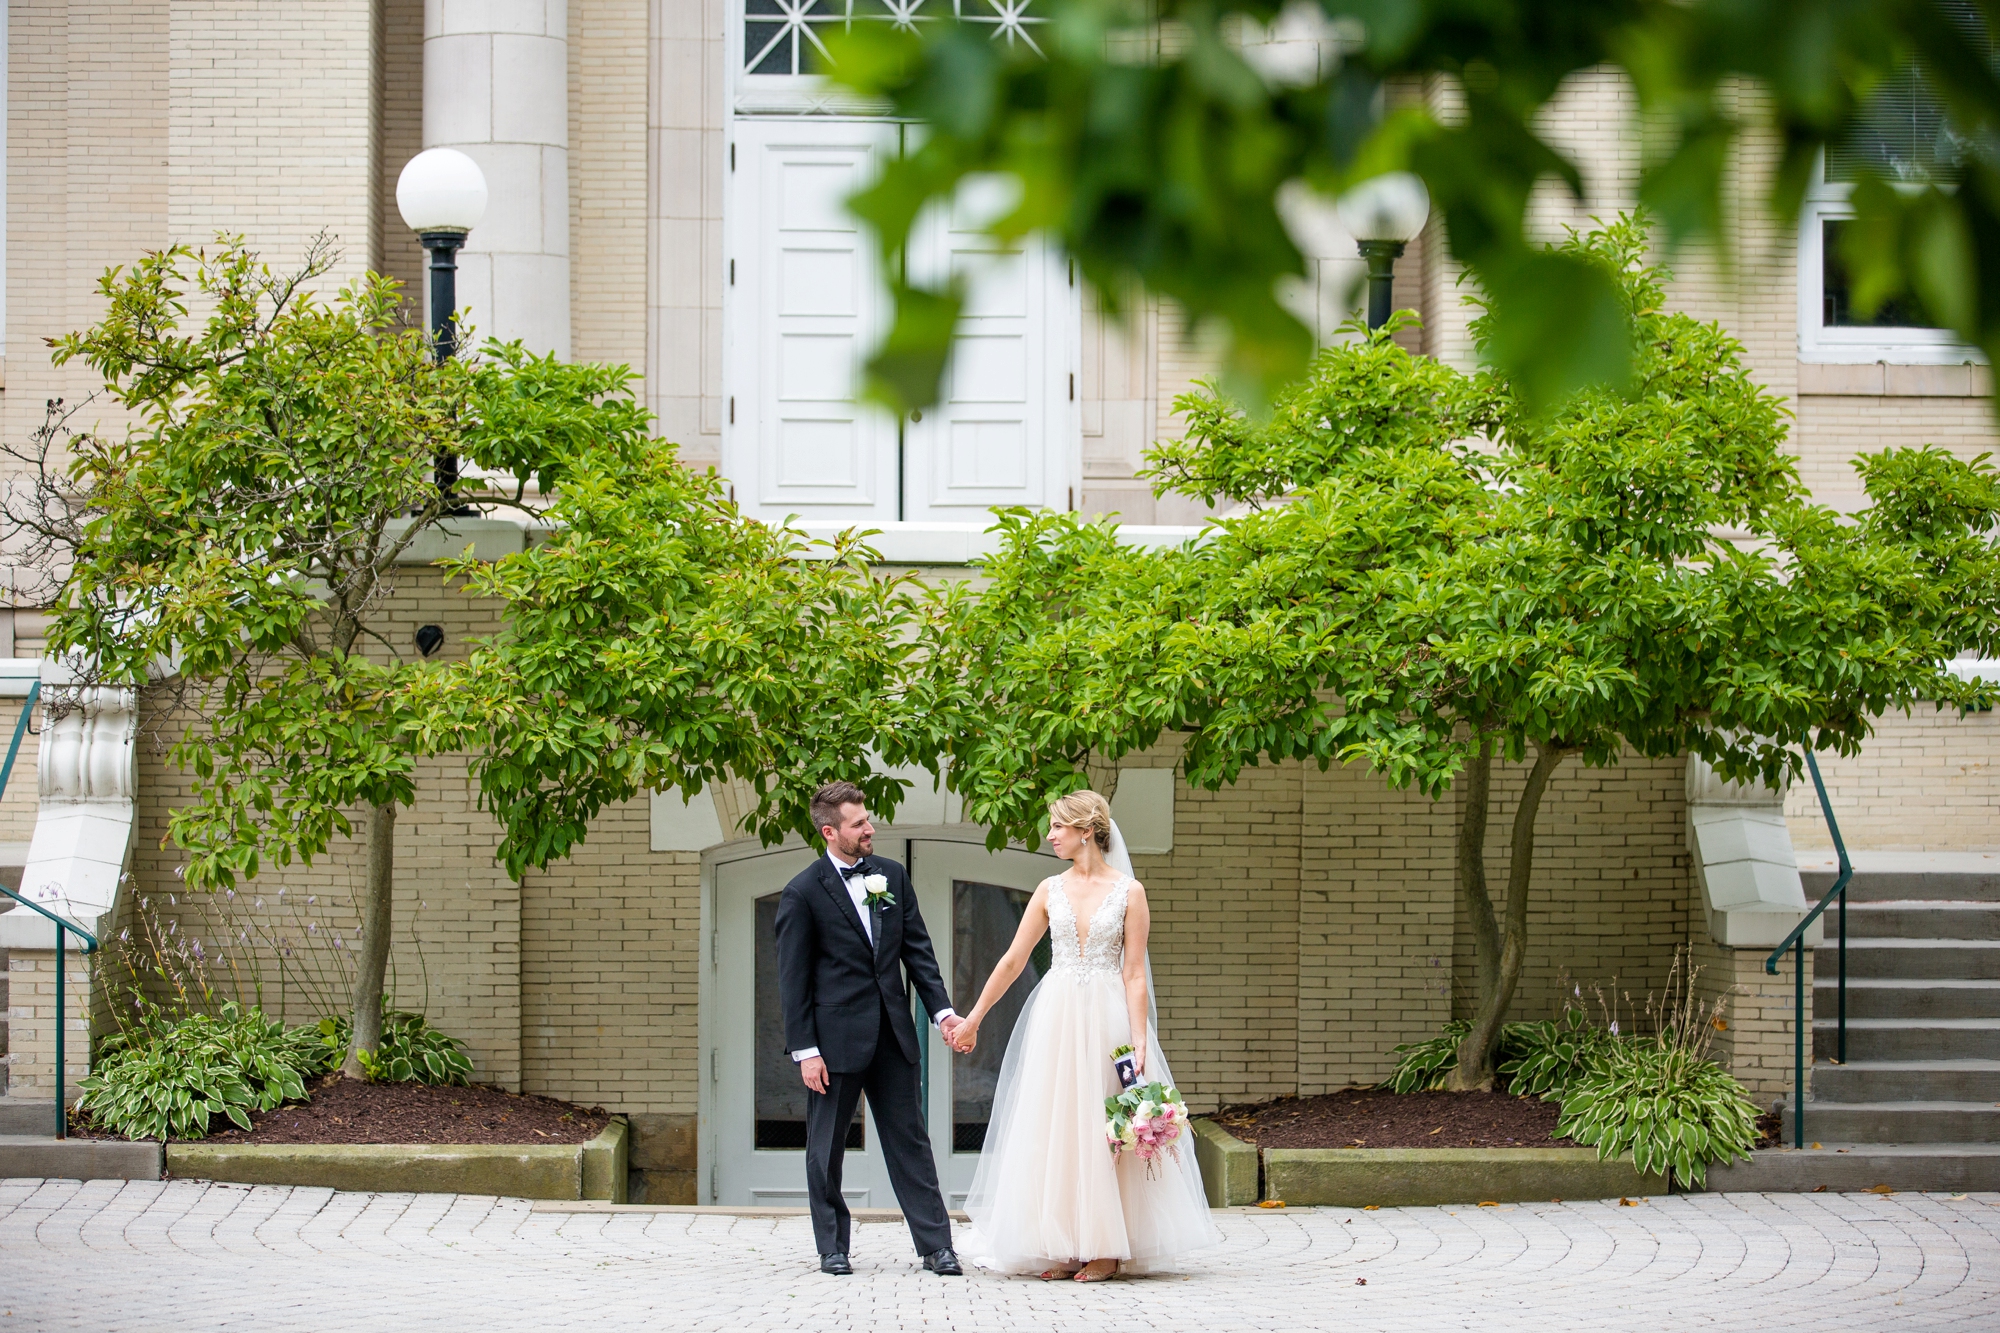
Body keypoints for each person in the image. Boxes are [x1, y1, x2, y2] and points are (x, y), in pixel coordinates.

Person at [947, 790, 1221, 1280]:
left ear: (1086, 830)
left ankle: (1106, 1248)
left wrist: (1139, 1040)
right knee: (1057, 1127)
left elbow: (1134, 972)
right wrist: (974, 1018)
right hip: (1057, 1017)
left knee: (1103, 1128)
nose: (1050, 836)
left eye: (1057, 827)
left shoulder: (1129, 892)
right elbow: (1012, 960)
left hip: (1109, 1020)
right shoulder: (1049, 889)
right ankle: (1061, 1241)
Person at [773, 780, 966, 1277]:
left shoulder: (892, 877)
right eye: (859, 824)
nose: (869, 829)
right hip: (833, 1044)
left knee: (912, 1144)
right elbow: (792, 982)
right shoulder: (802, 893)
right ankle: (832, 1248)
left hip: (894, 1037)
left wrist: (943, 1013)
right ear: (830, 831)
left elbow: (917, 953)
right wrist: (805, 1051)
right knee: (826, 1149)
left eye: (868, 820)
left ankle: (936, 1247)